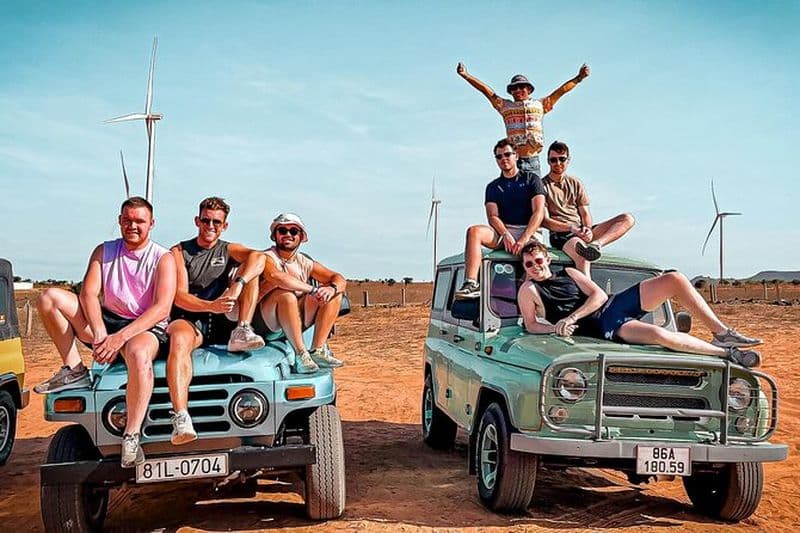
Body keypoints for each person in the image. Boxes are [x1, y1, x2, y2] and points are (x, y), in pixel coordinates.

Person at [34, 196, 177, 466]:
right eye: (127, 220)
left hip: (145, 327)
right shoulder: (104, 251)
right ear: (120, 221)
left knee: (138, 353)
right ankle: (74, 369)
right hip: (109, 322)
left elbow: (161, 308)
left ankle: (131, 435)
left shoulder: (162, 257)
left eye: (140, 221)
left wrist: (120, 338)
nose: (133, 226)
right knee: (49, 298)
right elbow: (88, 293)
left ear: (151, 224)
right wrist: (100, 333)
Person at [517, 241, 762, 367]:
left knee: (675, 278)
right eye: (529, 264)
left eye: (538, 260)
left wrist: (572, 317)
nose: (535, 267)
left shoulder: (570, 273)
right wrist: (556, 327)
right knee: (659, 334)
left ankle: (721, 333)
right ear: (525, 267)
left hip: (614, 305)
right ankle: (727, 353)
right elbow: (530, 325)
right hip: (604, 326)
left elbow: (599, 295)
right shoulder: (528, 290)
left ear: (547, 259)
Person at [166, 196, 267, 445]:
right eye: (206, 220)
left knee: (251, 269)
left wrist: (236, 286)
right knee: (178, 338)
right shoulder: (179, 252)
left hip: (224, 319)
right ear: (197, 221)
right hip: (191, 318)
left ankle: (243, 329)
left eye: (216, 222)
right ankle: (181, 417)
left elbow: (259, 257)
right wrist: (211, 305)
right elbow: (179, 296)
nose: (210, 226)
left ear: (225, 226)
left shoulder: (227, 249)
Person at [457, 62, 590, 178]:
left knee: (536, 195)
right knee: (512, 196)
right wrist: (466, 75)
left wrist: (579, 78)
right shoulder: (505, 106)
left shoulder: (540, 105)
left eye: (521, 87)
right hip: (513, 161)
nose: (517, 90)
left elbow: (561, 91)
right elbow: (486, 91)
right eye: (514, 88)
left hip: (533, 160)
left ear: (529, 90)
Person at [253, 213, 346, 374]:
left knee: (334, 293)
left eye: (294, 231)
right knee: (286, 295)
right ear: (275, 235)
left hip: (294, 320)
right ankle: (301, 354)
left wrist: (331, 288)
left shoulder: (304, 262)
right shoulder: (266, 258)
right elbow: (278, 277)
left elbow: (338, 278)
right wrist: (313, 290)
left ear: (301, 237)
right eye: (282, 230)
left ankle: (317, 350)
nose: (288, 234)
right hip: (267, 324)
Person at [454, 139, 546, 300]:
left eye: (507, 154)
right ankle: (471, 283)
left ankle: (537, 294)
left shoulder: (532, 180)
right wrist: (505, 234)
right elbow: (493, 216)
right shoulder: (493, 186)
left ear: (516, 155)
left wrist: (524, 238)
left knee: (533, 258)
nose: (504, 159)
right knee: (474, 231)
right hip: (504, 232)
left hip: (529, 232)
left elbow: (538, 212)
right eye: (499, 156)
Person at [542, 141, 635, 274]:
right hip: (561, 234)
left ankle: (597, 244)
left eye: (562, 159)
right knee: (584, 256)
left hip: (581, 230)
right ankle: (588, 287)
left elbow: (585, 213)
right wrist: (571, 228)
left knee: (627, 218)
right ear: (548, 161)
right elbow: (545, 221)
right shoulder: (542, 185)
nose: (558, 163)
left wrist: (587, 229)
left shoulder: (575, 183)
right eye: (553, 160)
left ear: (568, 160)